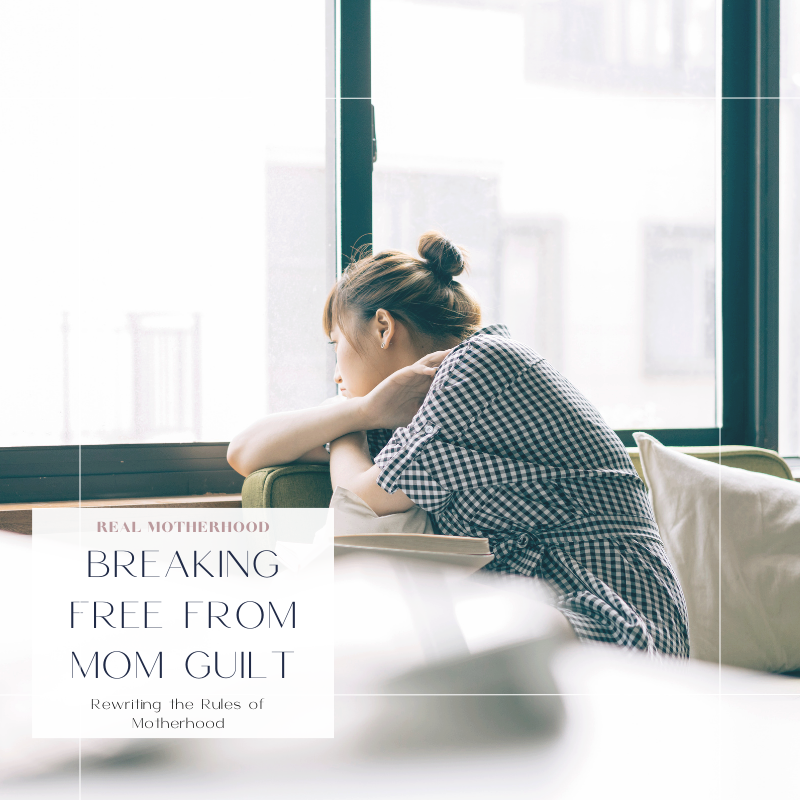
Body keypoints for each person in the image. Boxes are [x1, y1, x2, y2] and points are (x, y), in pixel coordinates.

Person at [228, 231, 690, 657]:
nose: (336, 373)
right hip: (537, 602)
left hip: (612, 608)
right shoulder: (407, 416)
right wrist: (361, 413)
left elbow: (361, 508)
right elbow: (246, 451)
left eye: (337, 347)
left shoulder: (480, 365)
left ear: (384, 328)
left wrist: (349, 422)